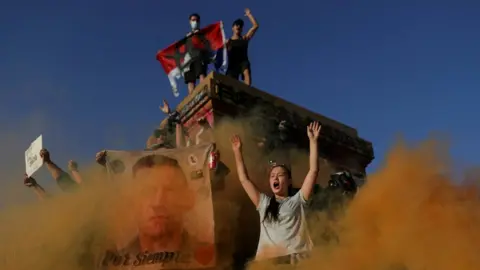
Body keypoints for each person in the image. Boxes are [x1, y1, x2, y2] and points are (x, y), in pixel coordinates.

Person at [230, 121, 321, 265]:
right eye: (272, 176)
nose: (275, 178)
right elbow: (244, 180)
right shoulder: (264, 203)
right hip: (268, 263)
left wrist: (313, 142)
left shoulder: (298, 200)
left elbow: (313, 171)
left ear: (289, 181)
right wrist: (237, 152)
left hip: (294, 261)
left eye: (280, 175)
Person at [100, 154, 214, 268]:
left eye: (170, 191)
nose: (158, 203)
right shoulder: (113, 265)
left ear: (188, 199)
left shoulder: (210, 258)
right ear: (132, 202)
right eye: (147, 192)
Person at [226, 8, 259, 86]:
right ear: (232, 28)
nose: (238, 26)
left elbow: (255, 26)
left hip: (243, 62)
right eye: (236, 25)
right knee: (230, 83)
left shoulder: (244, 38)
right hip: (232, 65)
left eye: (240, 25)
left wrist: (249, 15)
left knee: (246, 72)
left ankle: (247, 92)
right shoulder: (228, 42)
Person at [184, 13, 208, 95]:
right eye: (193, 20)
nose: (195, 22)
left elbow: (208, 45)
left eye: (197, 20)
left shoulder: (203, 34)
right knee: (190, 81)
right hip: (188, 60)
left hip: (199, 56)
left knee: (201, 74)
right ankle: (192, 101)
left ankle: (203, 94)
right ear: (190, 22)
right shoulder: (187, 37)